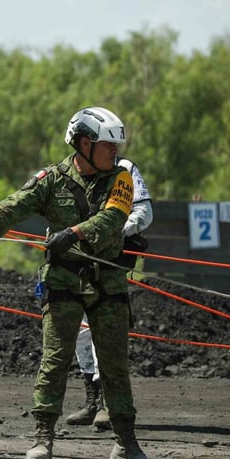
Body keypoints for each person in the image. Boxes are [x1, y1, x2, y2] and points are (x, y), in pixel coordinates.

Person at [0, 106, 156, 459]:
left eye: (117, 146)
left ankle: (127, 444)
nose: (115, 152)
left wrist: (74, 233)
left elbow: (112, 220)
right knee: (55, 360)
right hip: (61, 281)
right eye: (108, 145)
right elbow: (17, 204)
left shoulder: (121, 177)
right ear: (82, 143)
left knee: (114, 365)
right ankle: (43, 439)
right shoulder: (51, 179)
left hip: (107, 284)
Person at [65, 156, 153, 430]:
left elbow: (144, 211)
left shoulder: (125, 169)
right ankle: (92, 400)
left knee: (99, 329)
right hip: (76, 262)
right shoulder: (72, 170)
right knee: (80, 332)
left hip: (109, 263)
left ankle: (107, 404)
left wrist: (117, 230)